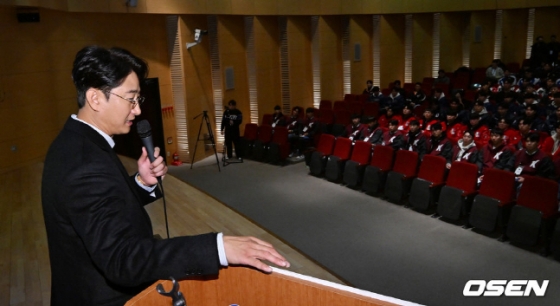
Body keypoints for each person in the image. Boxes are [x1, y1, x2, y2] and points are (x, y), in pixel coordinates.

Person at [41, 46, 289, 306]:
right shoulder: (84, 163)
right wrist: (218, 248)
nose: (137, 111)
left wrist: (140, 183)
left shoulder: (76, 144)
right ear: (95, 99)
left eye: (139, 100)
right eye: (131, 98)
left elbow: (103, 208)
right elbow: (123, 260)